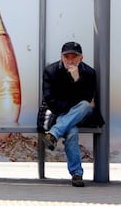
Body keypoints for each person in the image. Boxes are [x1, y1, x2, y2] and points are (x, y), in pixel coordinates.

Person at [41, 41, 104, 187]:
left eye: (74, 57)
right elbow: (51, 100)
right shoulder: (51, 71)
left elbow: (88, 100)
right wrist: (72, 107)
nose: (70, 60)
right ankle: (77, 173)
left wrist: (77, 79)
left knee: (85, 106)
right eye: (66, 56)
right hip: (57, 114)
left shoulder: (89, 73)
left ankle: (53, 134)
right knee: (72, 132)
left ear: (81, 58)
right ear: (61, 57)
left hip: (82, 115)